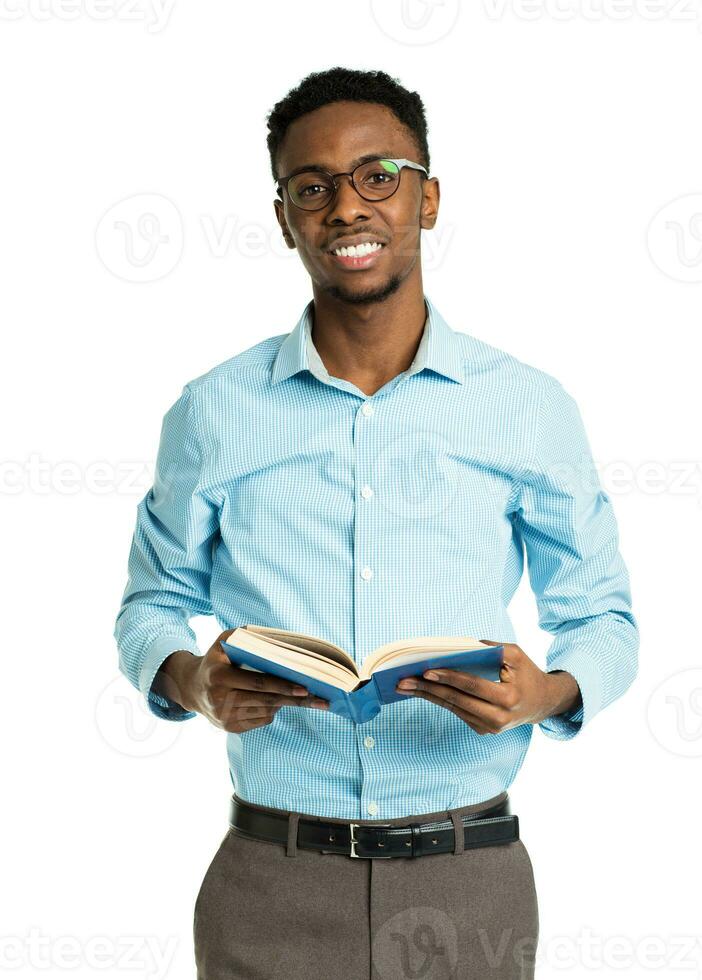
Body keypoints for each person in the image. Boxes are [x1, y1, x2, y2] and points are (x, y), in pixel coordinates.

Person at [113, 66, 639, 980]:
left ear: (427, 198)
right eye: (311, 187)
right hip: (268, 884)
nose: (346, 207)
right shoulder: (213, 411)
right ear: (285, 219)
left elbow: (602, 619)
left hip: (470, 881)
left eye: (378, 175)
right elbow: (149, 605)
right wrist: (193, 681)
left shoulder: (525, 407)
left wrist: (544, 694)